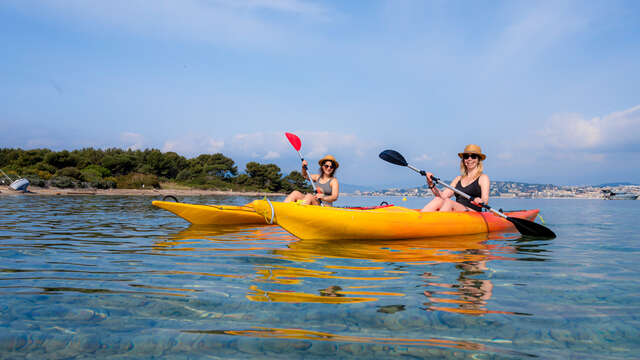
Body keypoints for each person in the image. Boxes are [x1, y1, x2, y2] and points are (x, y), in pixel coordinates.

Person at [421, 144, 489, 212]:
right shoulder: (458, 179)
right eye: (466, 156)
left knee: (449, 202)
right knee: (438, 200)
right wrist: (430, 184)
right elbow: (442, 196)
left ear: (478, 160)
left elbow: (485, 201)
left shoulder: (483, 178)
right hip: (458, 213)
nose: (469, 159)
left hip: (473, 213)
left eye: (473, 156)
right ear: (463, 160)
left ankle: (438, 221)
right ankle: (420, 219)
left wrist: (480, 201)